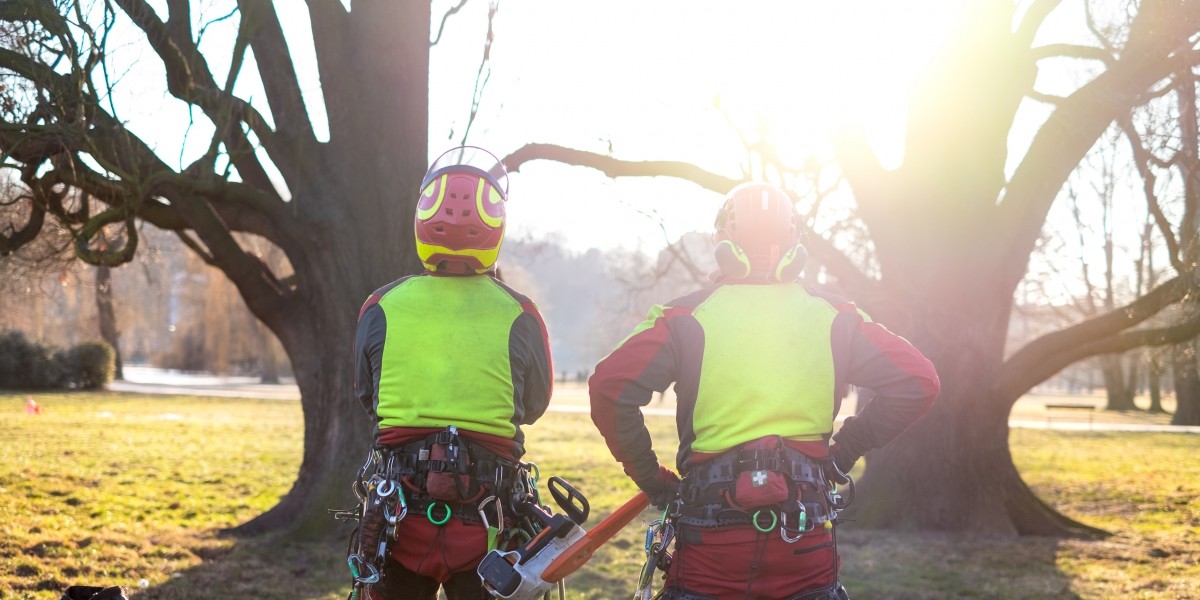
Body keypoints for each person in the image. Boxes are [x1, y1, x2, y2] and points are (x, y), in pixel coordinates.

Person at [588, 182, 940, 600]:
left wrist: (653, 480)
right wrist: (845, 449)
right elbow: (920, 382)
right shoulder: (836, 318)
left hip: (709, 542)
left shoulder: (684, 317)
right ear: (795, 246)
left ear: (723, 243)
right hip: (805, 538)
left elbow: (609, 389)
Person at [350, 146, 553, 600]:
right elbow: (535, 404)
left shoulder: (381, 305)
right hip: (489, 522)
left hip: (396, 520)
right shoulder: (520, 312)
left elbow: (369, 396)